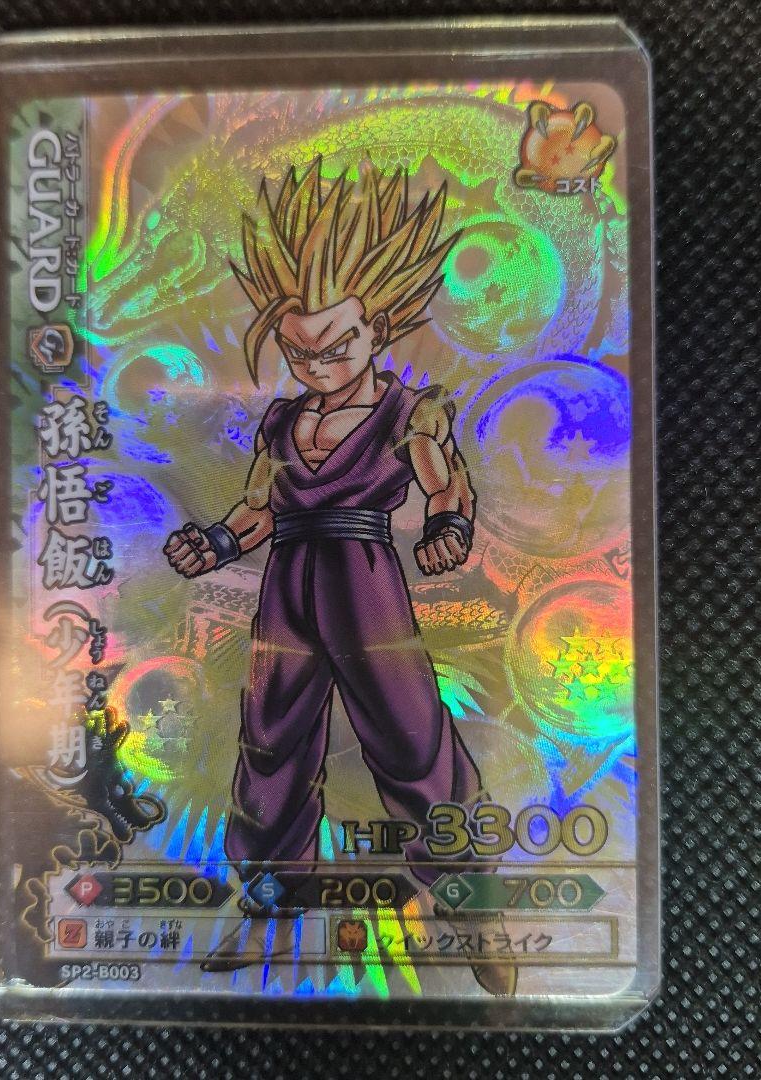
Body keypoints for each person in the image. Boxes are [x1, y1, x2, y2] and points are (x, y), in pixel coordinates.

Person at [164, 159, 515, 995]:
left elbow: (447, 487)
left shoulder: (408, 412)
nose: (318, 364)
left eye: (338, 345)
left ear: (377, 329)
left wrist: (448, 530)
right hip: (288, 580)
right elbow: (259, 506)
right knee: (271, 742)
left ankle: (470, 906)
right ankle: (268, 902)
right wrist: (216, 543)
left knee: (411, 739)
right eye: (300, 349)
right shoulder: (285, 420)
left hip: (365, 580)